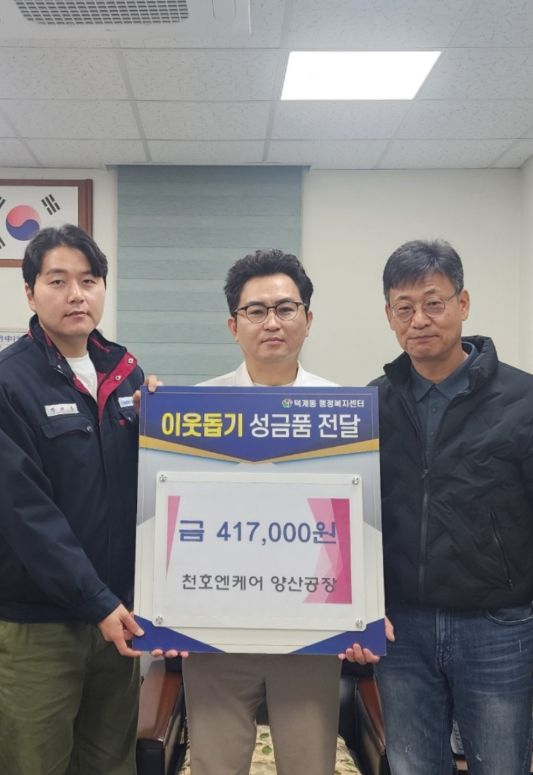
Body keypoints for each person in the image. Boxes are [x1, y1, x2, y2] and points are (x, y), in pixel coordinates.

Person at [370, 239, 533, 775]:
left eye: (433, 303)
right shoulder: (370, 404)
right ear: (390, 316)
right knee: (412, 765)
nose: (419, 319)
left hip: (497, 626)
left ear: (463, 304)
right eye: (404, 307)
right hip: (401, 629)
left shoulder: (523, 400)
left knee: (502, 764)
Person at [181, 248, 342, 775]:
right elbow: (174, 519)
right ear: (234, 325)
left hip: (311, 632)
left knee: (310, 765)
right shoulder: (193, 410)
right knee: (214, 764)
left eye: (286, 308)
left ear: (308, 319)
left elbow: (358, 526)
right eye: (256, 310)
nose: (272, 322)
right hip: (216, 632)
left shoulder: (344, 412)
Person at [0, 224, 146, 775]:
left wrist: (163, 423)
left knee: (111, 763)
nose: (76, 294)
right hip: (40, 625)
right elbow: (25, 513)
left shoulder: (125, 375)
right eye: (58, 281)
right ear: (30, 292)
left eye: (89, 280)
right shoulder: (10, 382)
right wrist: (97, 601)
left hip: (118, 620)